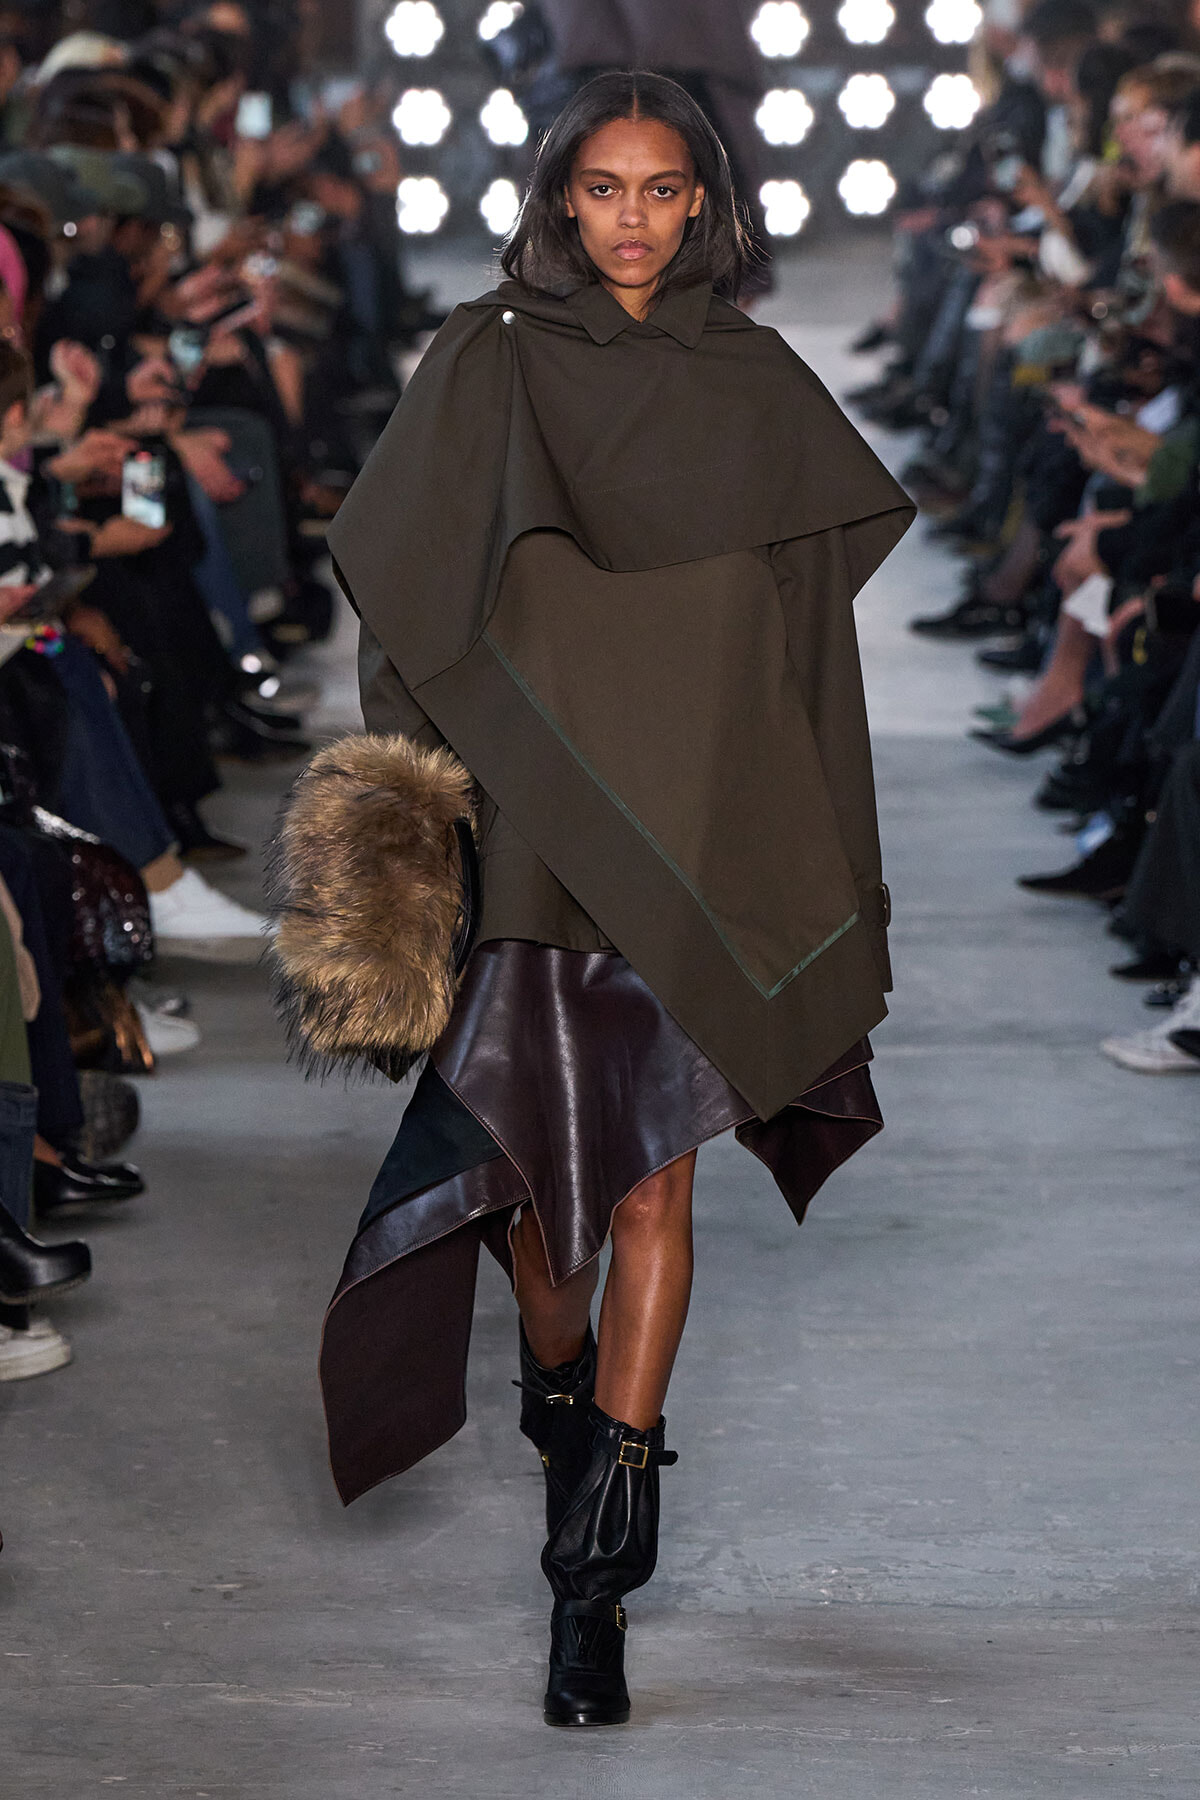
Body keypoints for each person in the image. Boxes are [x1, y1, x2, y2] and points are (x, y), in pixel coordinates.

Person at [293, 72, 914, 1728]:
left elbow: (803, 652)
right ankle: (556, 1379)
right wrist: (418, 820)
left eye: (664, 191)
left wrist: (803, 842)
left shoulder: (755, 382)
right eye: (604, 189)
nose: (634, 218)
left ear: (705, 206)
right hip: (539, 837)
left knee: (650, 1195)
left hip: (700, 831)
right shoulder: (485, 364)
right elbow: (411, 607)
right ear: (558, 200)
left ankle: (596, 1580)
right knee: (537, 1208)